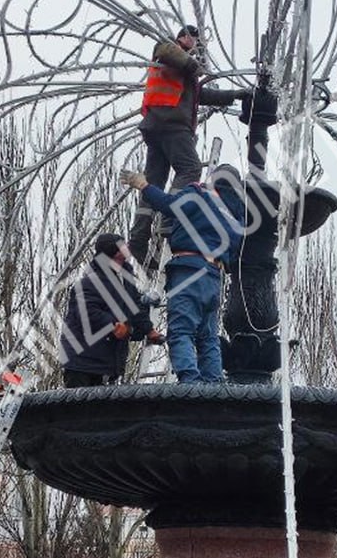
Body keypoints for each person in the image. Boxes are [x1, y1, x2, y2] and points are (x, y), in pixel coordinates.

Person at [129, 24, 250, 266]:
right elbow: (170, 53)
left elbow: (200, 95)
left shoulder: (181, 70)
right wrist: (195, 64)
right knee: (190, 168)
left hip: (157, 126)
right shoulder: (167, 48)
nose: (197, 48)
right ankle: (170, 218)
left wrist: (235, 94)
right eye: (195, 41)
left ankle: (139, 237)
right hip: (171, 124)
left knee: (152, 183)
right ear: (184, 37)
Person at [121, 165, 246, 384]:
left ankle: (190, 382)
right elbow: (236, 252)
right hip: (214, 276)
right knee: (208, 336)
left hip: (189, 269)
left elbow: (170, 206)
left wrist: (144, 185)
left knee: (181, 330)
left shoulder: (200, 194)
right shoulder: (237, 214)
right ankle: (213, 384)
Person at [60, 233, 163, 387]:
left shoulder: (125, 279)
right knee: (78, 409)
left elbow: (135, 307)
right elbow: (87, 313)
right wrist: (114, 325)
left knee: (102, 410)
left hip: (106, 361)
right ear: (114, 253)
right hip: (82, 363)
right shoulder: (89, 283)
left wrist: (149, 330)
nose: (128, 247)